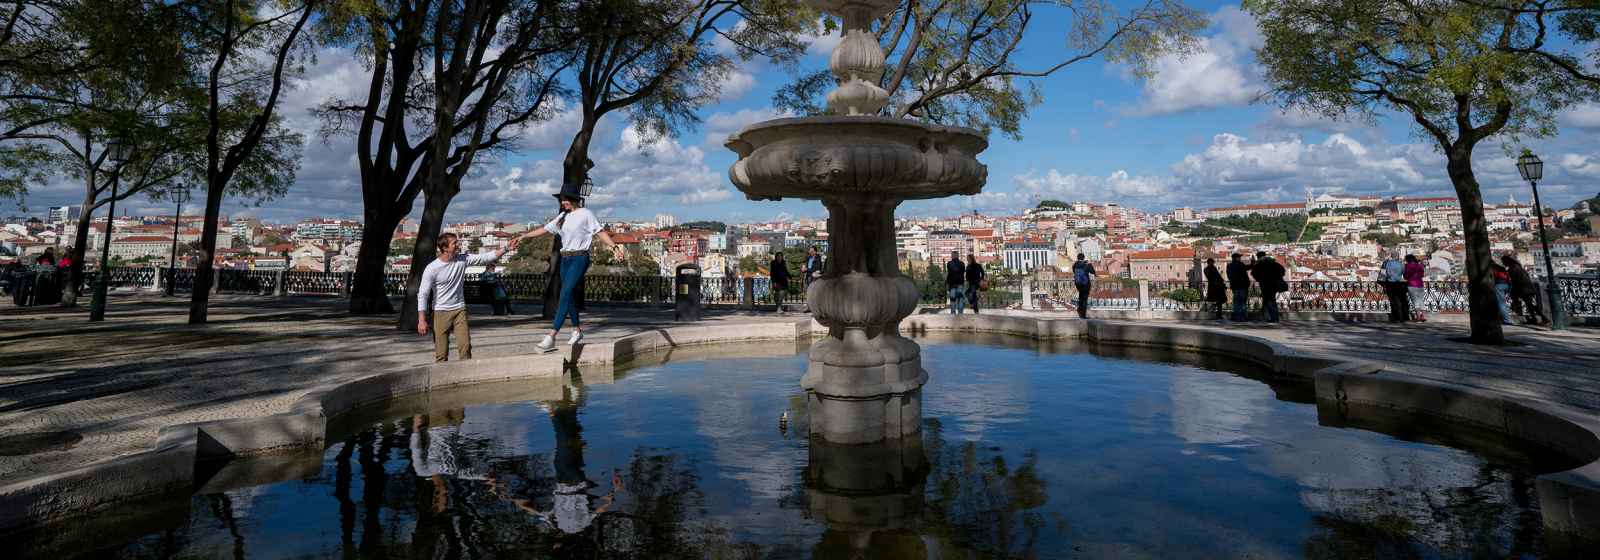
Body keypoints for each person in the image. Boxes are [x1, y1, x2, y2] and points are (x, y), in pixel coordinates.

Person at [517, 182, 624, 353]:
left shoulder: (586, 214)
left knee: (565, 293)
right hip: (564, 259)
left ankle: (551, 336)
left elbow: (600, 232)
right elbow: (544, 230)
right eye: (561, 200)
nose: (563, 203)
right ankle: (577, 330)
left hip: (580, 258)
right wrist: (524, 236)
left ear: (574, 199)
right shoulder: (562, 217)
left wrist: (615, 247)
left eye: (565, 200)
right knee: (568, 296)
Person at [417, 232, 517, 362]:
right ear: (445, 248)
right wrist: (422, 320)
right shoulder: (432, 268)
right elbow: (423, 294)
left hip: (459, 309)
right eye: (455, 243)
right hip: (440, 312)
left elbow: (485, 257)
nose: (458, 245)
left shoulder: (462, 259)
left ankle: (463, 376)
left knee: (465, 347)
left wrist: (506, 248)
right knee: (441, 354)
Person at [1503, 255, 1547, 325]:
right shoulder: (1518, 266)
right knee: (1530, 304)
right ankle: (1536, 319)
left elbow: (1515, 280)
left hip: (1524, 288)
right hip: (1527, 287)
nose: (1503, 263)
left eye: (1503, 262)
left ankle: (1543, 318)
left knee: (1530, 304)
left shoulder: (1512, 268)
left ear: (1507, 261)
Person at [1250, 251, 1286, 323]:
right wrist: (1277, 277)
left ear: (1258, 257)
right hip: (1274, 284)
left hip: (1265, 284)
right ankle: (1275, 317)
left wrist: (1260, 279)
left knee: (1268, 300)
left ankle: (1273, 317)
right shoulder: (1272, 262)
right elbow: (1283, 270)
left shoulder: (1259, 264)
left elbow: (1253, 273)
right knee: (1273, 300)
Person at [1380, 253, 1409, 323]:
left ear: (1391, 257)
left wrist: (1385, 282)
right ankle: (1402, 317)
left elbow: (1384, 274)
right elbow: (1404, 273)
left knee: (1392, 301)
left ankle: (1395, 317)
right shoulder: (1401, 264)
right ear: (1398, 257)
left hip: (1390, 284)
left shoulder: (1387, 264)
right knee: (1400, 300)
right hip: (1399, 284)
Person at [1226, 253, 1252, 322]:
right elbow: (1249, 267)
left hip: (1235, 286)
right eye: (1239, 257)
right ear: (1236, 258)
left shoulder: (1229, 266)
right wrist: (1253, 262)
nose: (1240, 258)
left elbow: (1229, 276)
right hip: (1242, 286)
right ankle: (1243, 317)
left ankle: (1237, 316)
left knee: (1236, 302)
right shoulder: (1241, 265)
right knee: (1242, 302)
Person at [1403, 254, 1427, 322]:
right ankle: (1423, 316)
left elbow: (1406, 276)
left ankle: (1418, 317)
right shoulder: (1420, 265)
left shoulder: (1407, 266)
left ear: (1407, 259)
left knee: (1415, 301)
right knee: (1421, 300)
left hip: (1412, 285)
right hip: (1420, 284)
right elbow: (1422, 275)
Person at [1491, 260, 1515, 325]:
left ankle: (1506, 320)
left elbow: (1493, 278)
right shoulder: (1501, 268)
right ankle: (1501, 318)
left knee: (1501, 304)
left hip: (1499, 285)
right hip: (1506, 285)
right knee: (1502, 303)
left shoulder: (1493, 268)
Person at [1072, 253, 1095, 319]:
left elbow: (1074, 272)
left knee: (1081, 296)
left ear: (1077, 258)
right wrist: (1090, 265)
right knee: (1085, 299)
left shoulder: (1074, 265)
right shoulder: (1086, 265)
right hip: (1085, 284)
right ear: (1083, 258)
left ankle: (1079, 309)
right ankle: (1083, 315)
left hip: (1078, 284)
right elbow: (1092, 272)